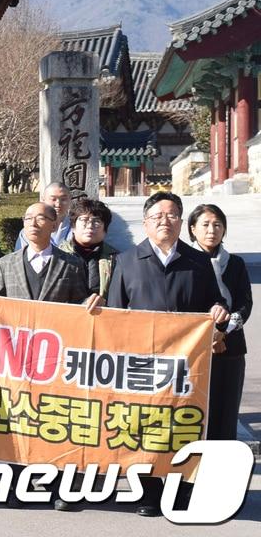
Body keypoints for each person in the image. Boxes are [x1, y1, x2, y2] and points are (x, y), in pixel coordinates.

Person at [104, 191, 228, 517]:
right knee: (143, 426)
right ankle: (147, 491)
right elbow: (115, 313)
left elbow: (215, 303)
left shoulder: (198, 261)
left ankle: (181, 490)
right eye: (157, 216)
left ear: (181, 221)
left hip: (187, 364)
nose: (164, 221)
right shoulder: (127, 261)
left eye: (171, 215)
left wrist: (218, 311)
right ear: (145, 223)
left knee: (184, 425)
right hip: (141, 364)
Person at [0, 202, 94, 511]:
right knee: (18, 421)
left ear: (55, 224)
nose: (33, 223)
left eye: (41, 217)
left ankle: (59, 486)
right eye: (28, 218)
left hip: (56, 359)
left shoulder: (71, 265)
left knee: (56, 423)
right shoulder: (6, 264)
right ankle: (17, 484)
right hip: (16, 359)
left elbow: (81, 306)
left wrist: (90, 304)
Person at [187, 204, 249, 445]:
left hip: (230, 347)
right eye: (205, 224)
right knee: (194, 411)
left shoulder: (236, 264)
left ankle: (223, 464)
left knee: (226, 411)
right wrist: (207, 335)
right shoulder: (184, 262)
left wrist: (222, 333)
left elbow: (244, 303)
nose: (211, 230)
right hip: (192, 348)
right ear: (192, 229)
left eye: (217, 225)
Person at [58, 198, 119, 296]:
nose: (90, 225)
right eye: (84, 220)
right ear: (73, 226)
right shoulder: (58, 255)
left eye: (97, 221)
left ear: (105, 229)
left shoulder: (116, 259)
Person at [16, 182, 72, 250]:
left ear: (70, 200)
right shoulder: (31, 230)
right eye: (53, 199)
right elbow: (21, 255)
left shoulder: (76, 228)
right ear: (43, 200)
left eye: (63, 199)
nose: (58, 204)